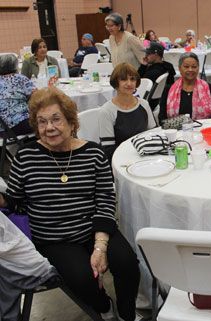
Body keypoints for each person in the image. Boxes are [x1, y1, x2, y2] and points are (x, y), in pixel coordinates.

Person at [0, 86, 141, 321]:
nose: (50, 128)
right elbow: (17, 202)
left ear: (70, 120)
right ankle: (105, 307)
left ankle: (127, 315)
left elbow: (105, 200)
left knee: (127, 264)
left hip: (94, 227)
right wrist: (3, 199)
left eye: (56, 119)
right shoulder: (25, 157)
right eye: (42, 122)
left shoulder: (93, 154)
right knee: (82, 277)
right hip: (55, 238)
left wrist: (100, 246)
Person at [99, 63, 156, 160]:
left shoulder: (144, 104)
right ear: (116, 83)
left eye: (132, 79)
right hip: (120, 160)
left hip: (145, 156)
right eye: (124, 79)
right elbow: (108, 149)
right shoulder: (107, 110)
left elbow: (153, 134)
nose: (129, 83)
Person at [159, 52, 211, 122]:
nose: (190, 70)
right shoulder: (169, 90)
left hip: (204, 130)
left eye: (194, 67)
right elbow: (162, 118)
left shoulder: (208, 88)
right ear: (180, 68)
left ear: (198, 68)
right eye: (186, 67)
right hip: (176, 131)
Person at [0, 54, 36, 136]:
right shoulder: (20, 79)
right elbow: (39, 98)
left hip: (2, 130)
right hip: (20, 125)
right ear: (15, 66)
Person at [138, 42, 176, 109]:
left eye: (148, 54)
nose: (145, 56)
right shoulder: (166, 67)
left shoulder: (153, 73)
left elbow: (138, 83)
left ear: (156, 55)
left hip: (146, 104)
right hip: (156, 102)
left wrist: (142, 67)